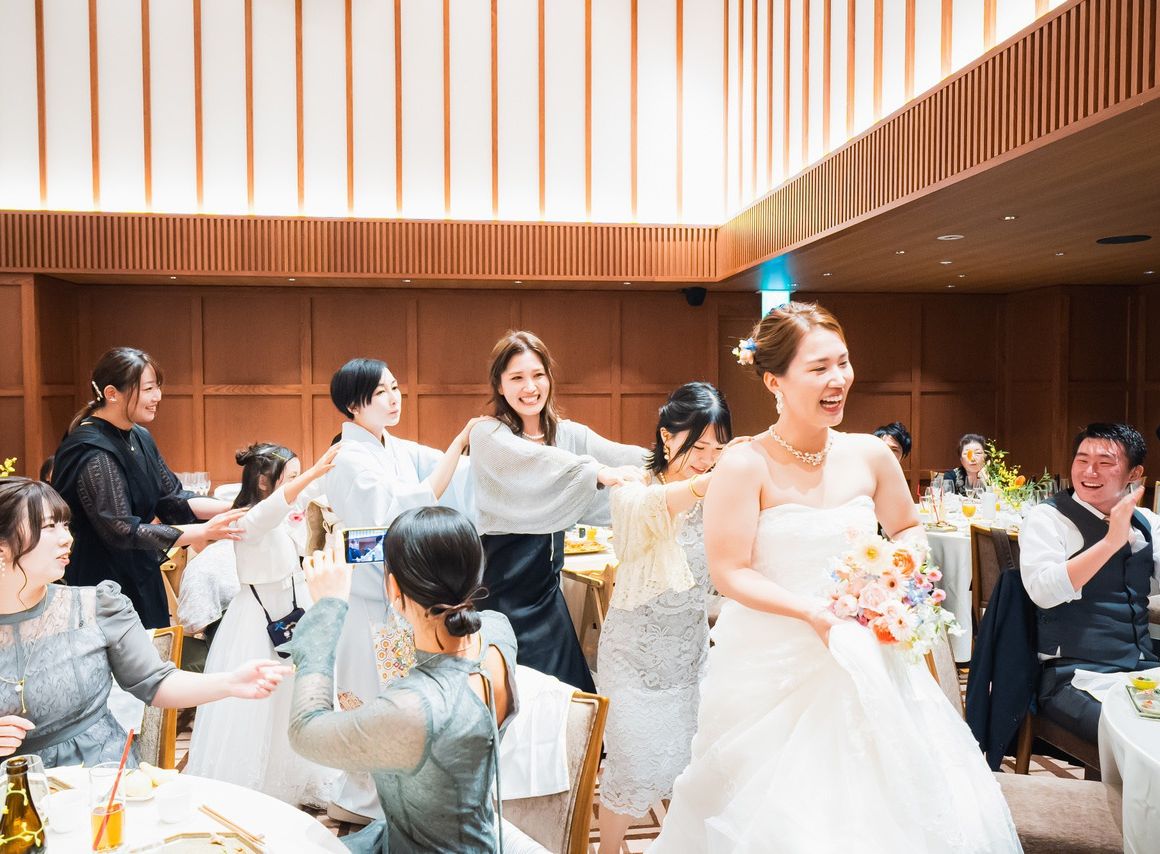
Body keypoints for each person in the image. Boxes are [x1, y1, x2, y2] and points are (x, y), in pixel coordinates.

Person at [652, 303, 1020, 853]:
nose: (838, 379)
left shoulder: (869, 454)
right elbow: (729, 572)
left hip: (870, 650)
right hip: (774, 662)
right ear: (774, 380)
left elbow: (908, 528)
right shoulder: (744, 464)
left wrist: (894, 573)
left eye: (843, 363)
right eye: (819, 367)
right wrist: (812, 613)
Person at [286, 507, 546, 853]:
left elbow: (304, 731)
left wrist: (328, 608)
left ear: (392, 587)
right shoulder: (498, 631)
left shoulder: (412, 709)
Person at [0, 477, 289, 767]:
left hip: (100, 774)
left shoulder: (97, 606)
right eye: (49, 526)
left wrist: (230, 682)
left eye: (65, 525)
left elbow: (156, 682)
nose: (67, 539)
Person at [324, 357, 479, 824]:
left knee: (392, 688)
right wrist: (458, 443)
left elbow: (444, 473)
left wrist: (477, 452)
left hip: (392, 595)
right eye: (380, 393)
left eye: (395, 388)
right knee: (367, 692)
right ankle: (362, 797)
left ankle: (389, 793)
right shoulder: (349, 459)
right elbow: (404, 508)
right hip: (365, 596)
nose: (394, 399)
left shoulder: (390, 446)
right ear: (353, 405)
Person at [469, 331, 645, 693]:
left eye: (538, 375)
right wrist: (594, 472)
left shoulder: (568, 436)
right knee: (511, 697)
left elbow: (623, 454)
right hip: (501, 595)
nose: (529, 387)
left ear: (549, 377)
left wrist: (679, 451)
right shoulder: (488, 435)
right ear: (499, 385)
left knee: (571, 697)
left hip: (547, 594)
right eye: (517, 378)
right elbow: (535, 461)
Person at [596, 383, 731, 854]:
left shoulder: (718, 495)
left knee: (689, 770)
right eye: (698, 446)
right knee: (630, 768)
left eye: (717, 450)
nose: (707, 459)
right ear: (666, 437)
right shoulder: (635, 486)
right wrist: (706, 484)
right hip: (633, 659)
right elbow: (649, 509)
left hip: (690, 659)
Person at [186, 442, 343, 806]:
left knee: (296, 696)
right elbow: (275, 508)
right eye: (291, 477)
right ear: (263, 481)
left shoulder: (285, 512)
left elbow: (307, 497)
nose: (298, 484)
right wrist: (313, 472)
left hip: (293, 611)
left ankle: (303, 775)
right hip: (257, 621)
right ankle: (259, 788)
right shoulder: (246, 520)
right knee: (260, 705)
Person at [51, 347, 244, 628]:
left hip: (140, 572)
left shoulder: (139, 436)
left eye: (157, 387)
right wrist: (204, 531)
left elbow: (172, 500)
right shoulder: (92, 450)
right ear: (112, 393)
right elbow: (121, 530)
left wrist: (238, 507)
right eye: (148, 389)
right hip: (101, 585)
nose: (158, 397)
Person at [1019, 423, 1159, 745]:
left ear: (1134, 473)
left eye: (1105, 462)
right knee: (1138, 738)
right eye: (1082, 460)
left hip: (1141, 670)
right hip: (1072, 675)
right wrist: (1110, 542)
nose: (1089, 471)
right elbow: (1043, 592)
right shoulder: (1048, 518)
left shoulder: (1147, 523)